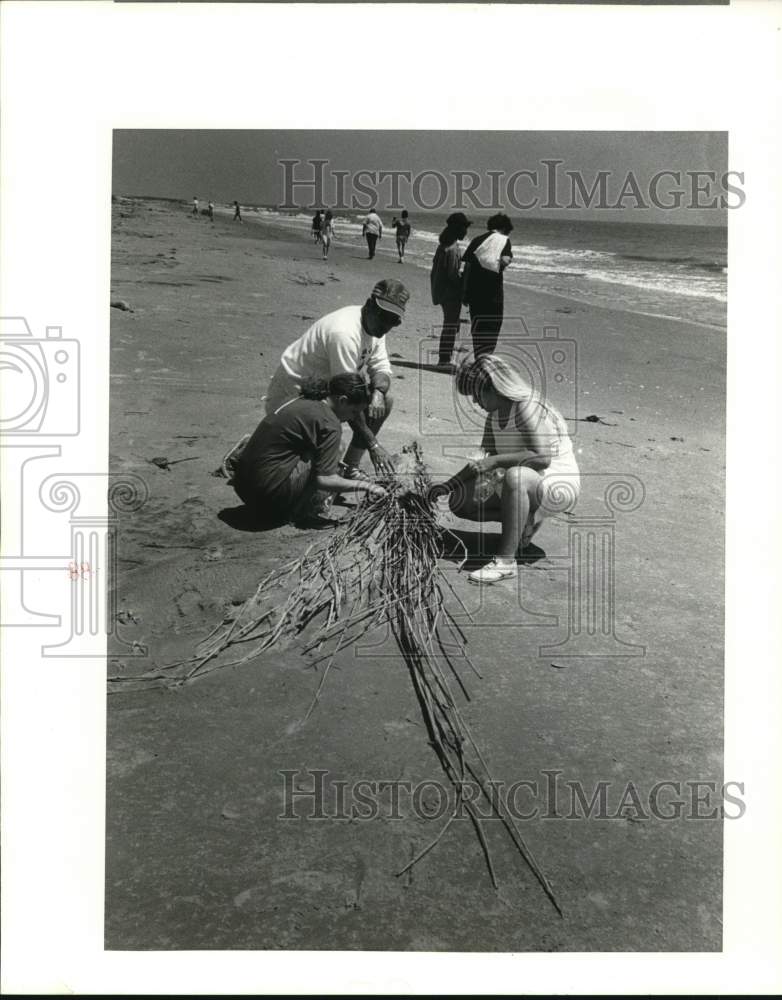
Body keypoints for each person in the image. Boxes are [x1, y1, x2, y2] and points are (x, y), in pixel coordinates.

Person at [429, 355, 580, 585]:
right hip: (525, 482)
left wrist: (496, 461)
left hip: (555, 483)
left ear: (494, 388)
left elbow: (542, 458)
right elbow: (482, 461)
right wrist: (448, 486)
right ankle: (523, 524)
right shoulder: (493, 417)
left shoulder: (525, 406)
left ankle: (505, 561)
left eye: (477, 395)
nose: (476, 403)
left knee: (515, 476)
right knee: (460, 500)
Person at [263, 278, 409, 479]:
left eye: (393, 320)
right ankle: (268, 446)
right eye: (384, 317)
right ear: (369, 305)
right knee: (330, 452)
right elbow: (346, 395)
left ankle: (350, 466)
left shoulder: (377, 329)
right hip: (293, 397)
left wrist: (378, 392)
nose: (387, 325)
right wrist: (374, 445)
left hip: (324, 392)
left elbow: (382, 368)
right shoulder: (344, 332)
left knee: (385, 401)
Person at [231, 373, 387, 523]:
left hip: (243, 488)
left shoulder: (302, 400)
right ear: (343, 400)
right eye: (354, 411)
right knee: (337, 451)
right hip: (268, 498)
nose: (353, 418)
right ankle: (303, 512)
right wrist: (368, 487)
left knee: (324, 455)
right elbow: (325, 480)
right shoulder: (330, 422)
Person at [462, 213, 514, 357]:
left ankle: (479, 357)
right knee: (492, 325)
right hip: (493, 292)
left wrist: (465, 292)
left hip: (474, 290)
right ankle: (486, 357)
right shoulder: (504, 240)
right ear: (504, 227)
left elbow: (467, 267)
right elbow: (504, 260)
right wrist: (508, 260)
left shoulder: (477, 240)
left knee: (477, 325)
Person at [430, 211, 472, 369]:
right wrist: (465, 283)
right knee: (451, 324)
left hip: (441, 290)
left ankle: (446, 357)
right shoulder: (453, 249)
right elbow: (453, 275)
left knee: (452, 324)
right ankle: (444, 359)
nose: (466, 232)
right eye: (465, 228)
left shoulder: (443, 246)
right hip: (450, 293)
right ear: (458, 229)